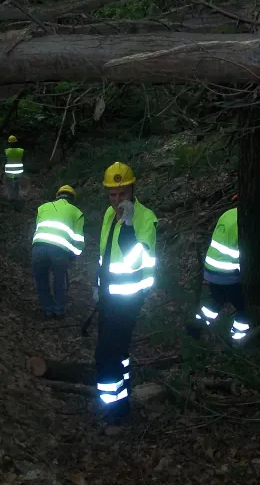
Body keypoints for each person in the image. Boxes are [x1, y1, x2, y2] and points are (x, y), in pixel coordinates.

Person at [93, 162, 158, 423]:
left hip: (129, 298)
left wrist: (129, 227)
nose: (117, 200)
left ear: (133, 190)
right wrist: (97, 285)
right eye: (112, 195)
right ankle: (123, 396)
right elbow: (104, 256)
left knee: (105, 354)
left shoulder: (145, 219)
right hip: (108, 297)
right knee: (118, 352)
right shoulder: (109, 216)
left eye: (122, 194)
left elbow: (135, 262)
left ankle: (114, 411)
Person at [187, 193, 260, 342]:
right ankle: (238, 338)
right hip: (228, 274)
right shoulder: (249, 221)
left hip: (211, 270)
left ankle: (196, 326)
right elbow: (249, 254)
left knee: (217, 300)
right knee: (244, 308)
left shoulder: (227, 214)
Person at [31, 185, 85, 318]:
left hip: (38, 247)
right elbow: (78, 241)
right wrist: (73, 255)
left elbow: (38, 227)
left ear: (57, 196)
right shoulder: (76, 212)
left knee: (41, 279)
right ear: (72, 199)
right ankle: (59, 310)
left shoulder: (42, 207)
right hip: (60, 251)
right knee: (60, 280)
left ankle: (47, 309)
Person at [4, 135, 24, 200]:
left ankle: (11, 197)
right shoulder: (21, 150)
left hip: (9, 171)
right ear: (16, 142)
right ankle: (16, 196)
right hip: (18, 171)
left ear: (9, 143)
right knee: (17, 184)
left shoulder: (7, 151)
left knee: (9, 184)